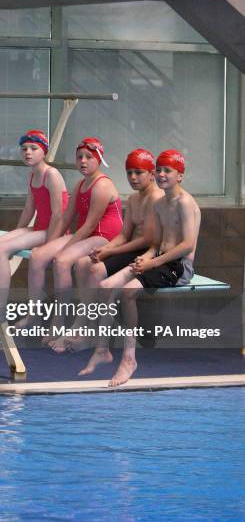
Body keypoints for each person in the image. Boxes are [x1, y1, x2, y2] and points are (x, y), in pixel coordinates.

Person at [85, 149, 200, 387]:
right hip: (159, 259)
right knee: (106, 285)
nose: (161, 174)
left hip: (179, 266)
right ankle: (102, 348)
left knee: (127, 292)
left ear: (180, 176)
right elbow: (156, 244)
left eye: (168, 170)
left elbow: (187, 245)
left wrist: (153, 262)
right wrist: (143, 260)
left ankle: (129, 358)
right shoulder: (159, 204)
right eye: (159, 170)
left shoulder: (185, 203)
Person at [53, 148, 163, 354]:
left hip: (150, 254)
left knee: (96, 270)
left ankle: (83, 326)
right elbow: (124, 234)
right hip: (133, 249)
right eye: (129, 173)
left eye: (138, 173)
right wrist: (105, 248)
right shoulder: (134, 199)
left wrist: (111, 252)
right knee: (84, 262)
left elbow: (147, 240)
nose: (133, 177)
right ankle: (86, 326)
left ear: (152, 173)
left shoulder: (156, 198)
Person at [27, 137, 123, 342]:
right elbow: (65, 217)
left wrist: (64, 249)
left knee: (61, 261)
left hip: (104, 237)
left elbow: (90, 224)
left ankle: (58, 321)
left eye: (89, 157)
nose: (83, 161)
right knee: (38, 255)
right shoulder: (79, 184)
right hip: (86, 234)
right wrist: (50, 243)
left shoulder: (102, 185)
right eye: (80, 157)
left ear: (99, 159)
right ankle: (33, 315)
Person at [0, 130, 68, 329]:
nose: (28, 153)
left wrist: (50, 243)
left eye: (34, 148)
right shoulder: (33, 175)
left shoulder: (52, 175)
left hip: (54, 230)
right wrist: (16, 234)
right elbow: (28, 209)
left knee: (1, 250)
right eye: (24, 149)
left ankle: (0, 310)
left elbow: (59, 215)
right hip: (39, 227)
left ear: (45, 152)